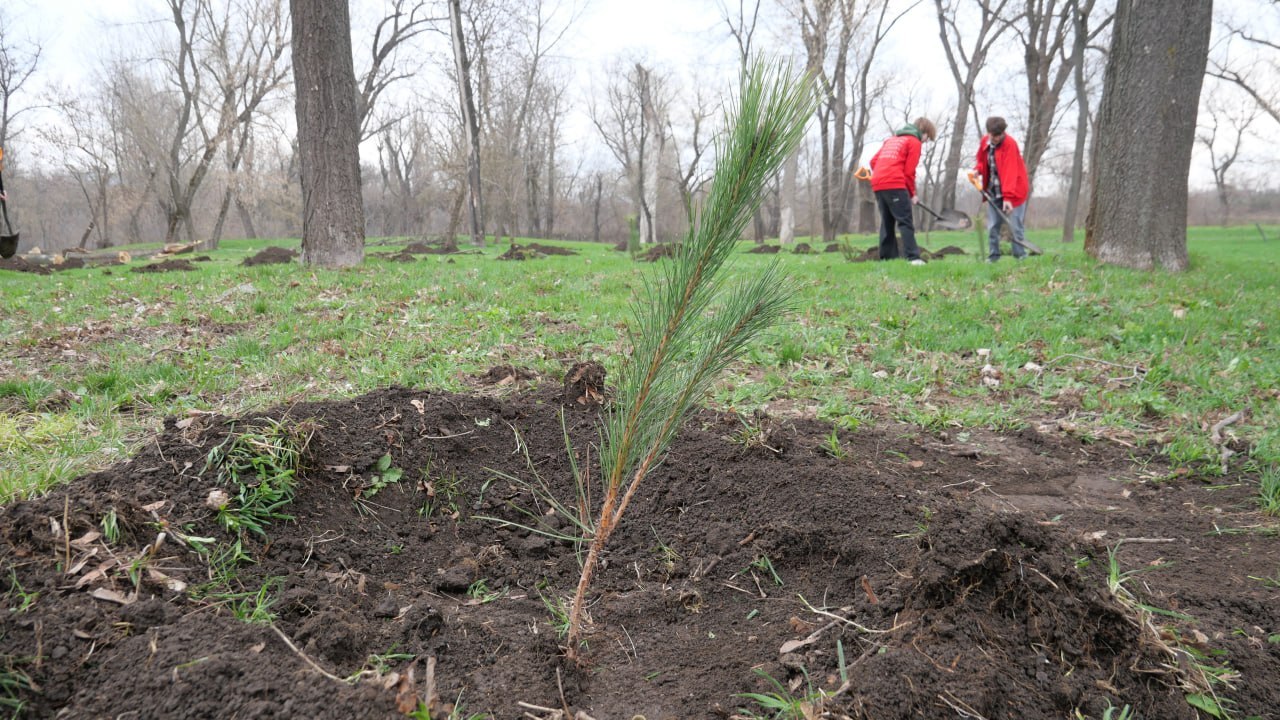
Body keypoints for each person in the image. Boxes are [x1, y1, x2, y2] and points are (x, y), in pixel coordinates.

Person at [869, 118, 937, 265]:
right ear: (923, 132)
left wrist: (883, 174)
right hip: (895, 184)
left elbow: (873, 162)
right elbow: (909, 172)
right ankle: (913, 258)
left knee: (887, 222)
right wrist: (913, 194)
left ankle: (887, 258)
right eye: (927, 138)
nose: (925, 141)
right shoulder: (914, 142)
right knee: (905, 221)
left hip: (878, 183)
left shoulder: (891, 140)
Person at [973, 116, 1030, 262]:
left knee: (1015, 225)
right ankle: (993, 256)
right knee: (993, 226)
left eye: (1000, 134)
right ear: (989, 133)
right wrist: (977, 170)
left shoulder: (1010, 144)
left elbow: (1011, 172)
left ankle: (1020, 255)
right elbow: (981, 161)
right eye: (994, 135)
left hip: (1014, 192)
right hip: (994, 191)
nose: (997, 138)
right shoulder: (985, 142)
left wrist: (1008, 198)